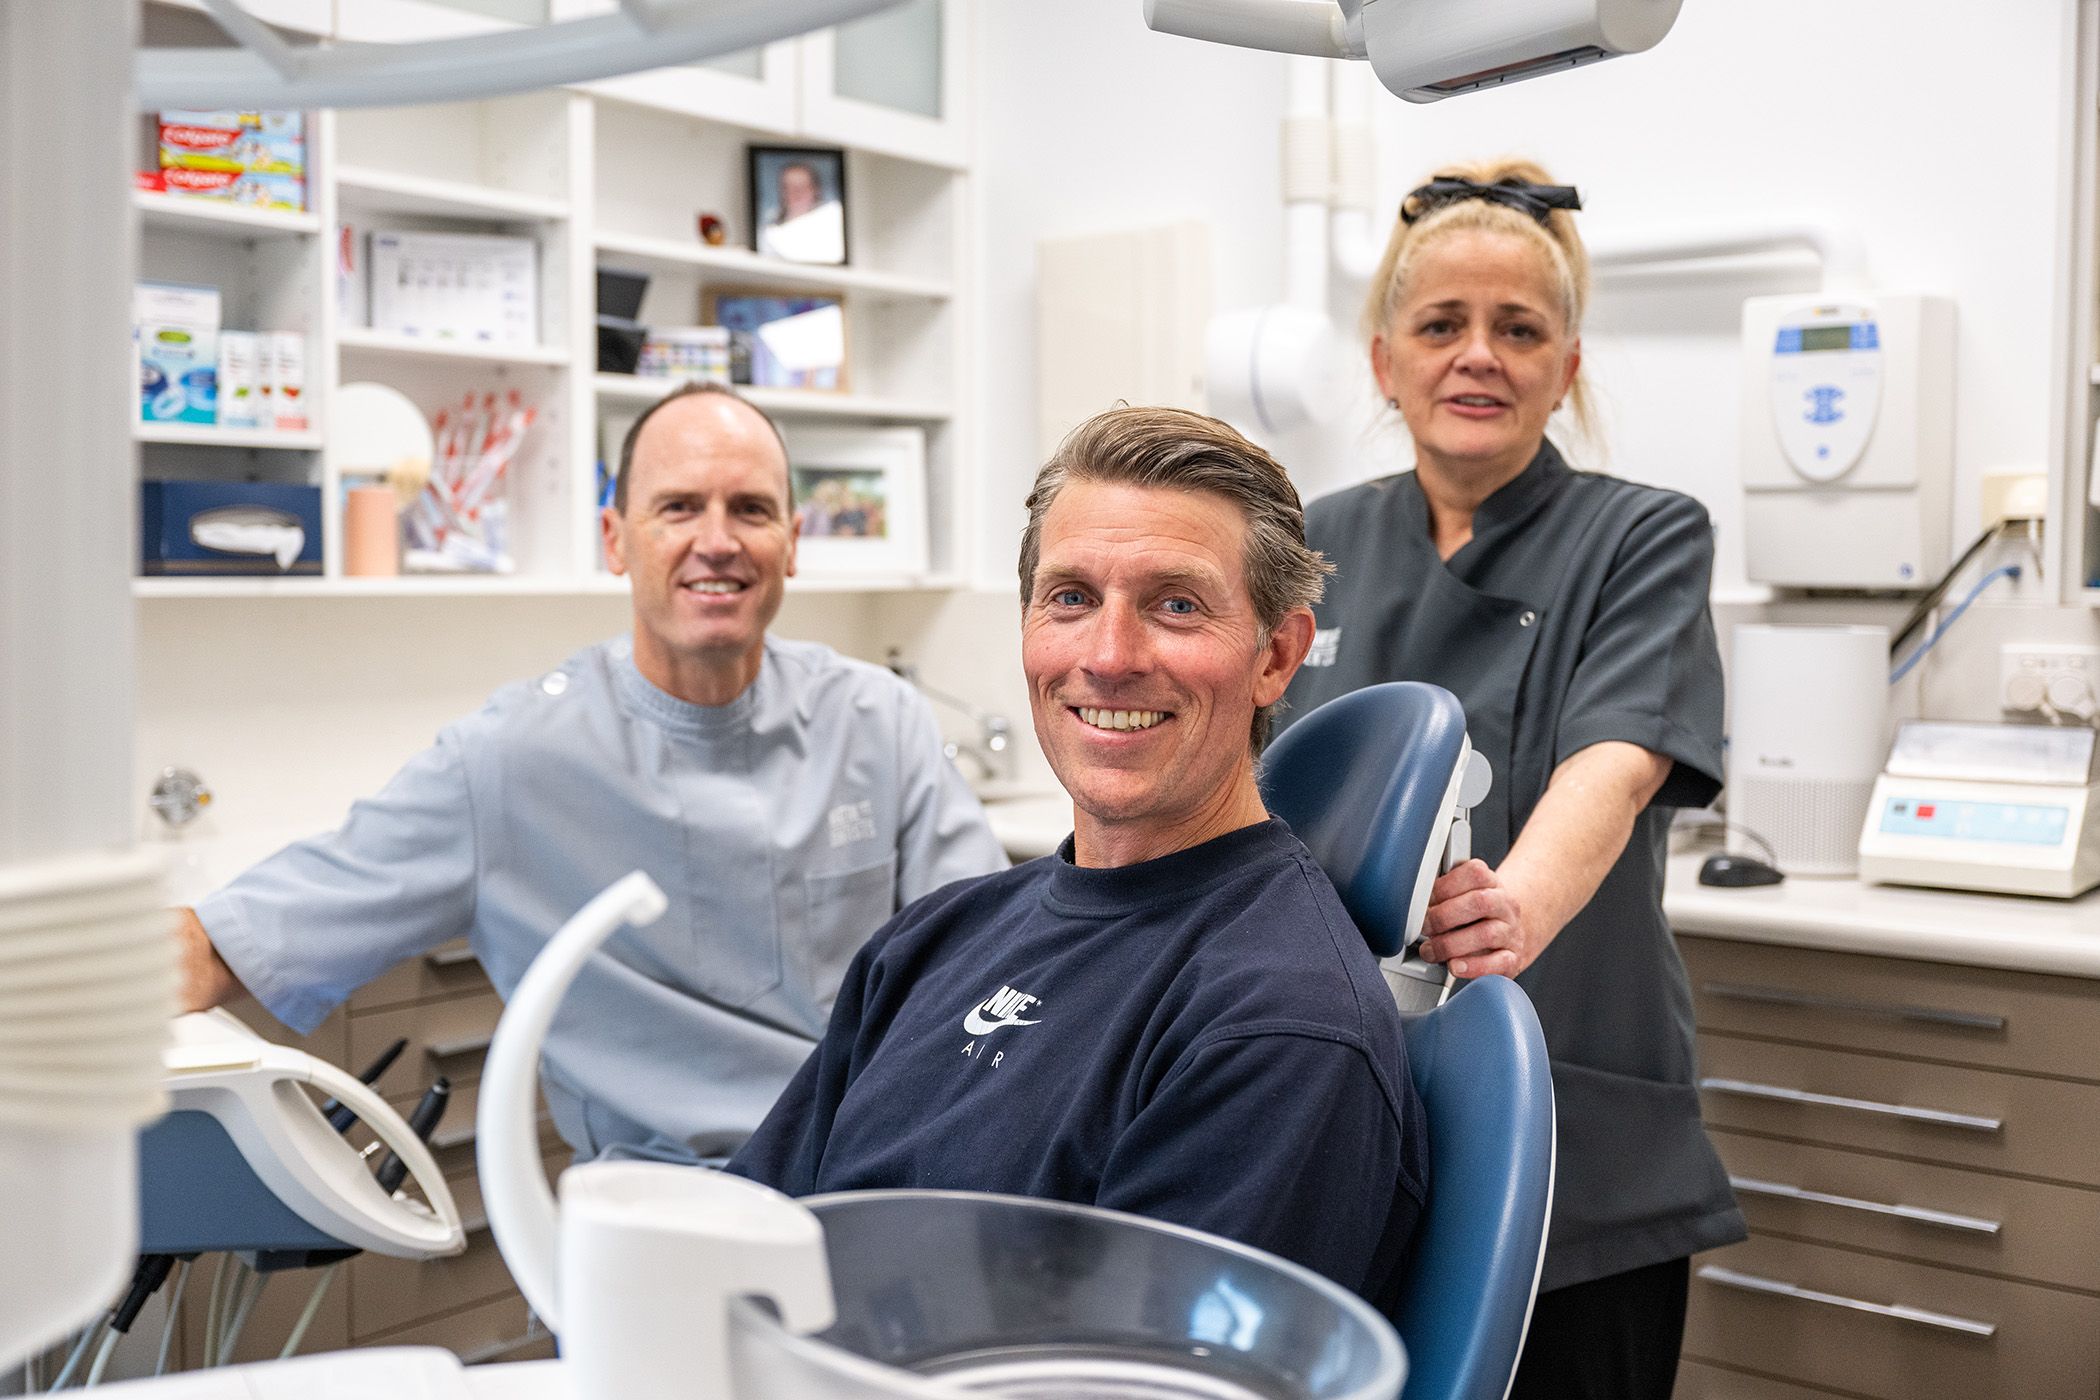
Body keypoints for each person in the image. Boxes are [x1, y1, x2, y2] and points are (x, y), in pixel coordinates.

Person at [175, 381, 1007, 1164]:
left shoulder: (878, 722)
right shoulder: (509, 764)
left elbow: (999, 970)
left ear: (792, 543)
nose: (716, 542)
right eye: (678, 508)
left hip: (868, 1176)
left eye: (750, 510)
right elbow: (229, 945)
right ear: (616, 539)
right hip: (660, 1211)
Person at [729, 406, 1428, 1308]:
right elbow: (748, 1239)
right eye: (1072, 598)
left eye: (1176, 605)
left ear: (1276, 656)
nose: (1108, 655)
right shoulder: (935, 940)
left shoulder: (1281, 1026)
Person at [1275, 160, 1743, 1398]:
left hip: (1572, 1112)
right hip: (1337, 1109)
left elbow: (1621, 758)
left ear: (1567, 367)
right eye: (1441, 324)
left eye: (1518, 328)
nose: (1478, 354)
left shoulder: (1642, 534)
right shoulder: (1310, 542)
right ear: (1385, 361)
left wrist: (1514, 906)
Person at [758, 159, 845, 264]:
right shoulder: (766, 230)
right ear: (781, 191)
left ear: (815, 190)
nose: (796, 193)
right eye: (789, 187)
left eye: (803, 186)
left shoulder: (832, 223)